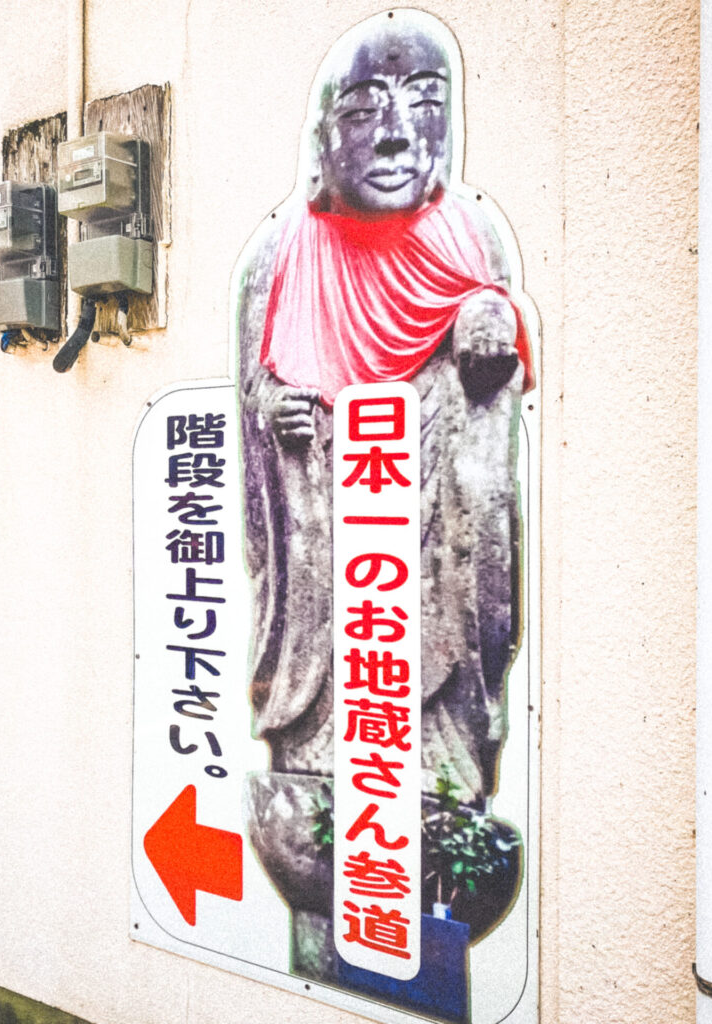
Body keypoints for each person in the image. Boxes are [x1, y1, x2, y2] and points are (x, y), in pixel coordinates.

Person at [236, 10, 534, 808]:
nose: (397, 134)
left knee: (436, 824)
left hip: (433, 587)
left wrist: (488, 340)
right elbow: (252, 410)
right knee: (317, 806)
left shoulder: (470, 240)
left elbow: (492, 438)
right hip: (327, 594)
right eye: (364, 108)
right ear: (321, 136)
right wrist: (276, 409)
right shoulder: (280, 256)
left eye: (425, 100)